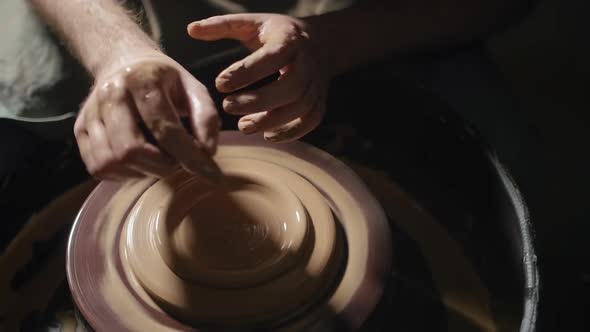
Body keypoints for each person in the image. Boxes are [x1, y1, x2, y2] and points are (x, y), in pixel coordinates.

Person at [21, 0, 532, 182]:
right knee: (38, 122)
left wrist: (332, 43)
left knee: (495, 146)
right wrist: (115, 51)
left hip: (356, 11)